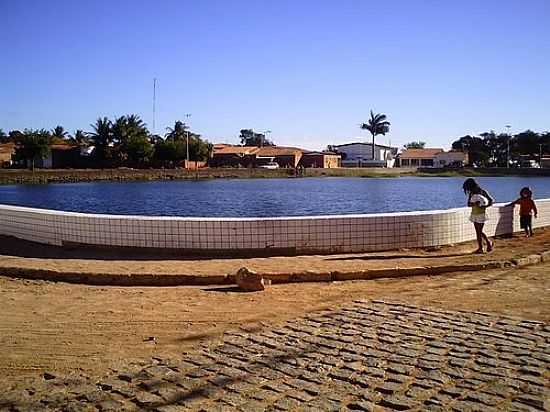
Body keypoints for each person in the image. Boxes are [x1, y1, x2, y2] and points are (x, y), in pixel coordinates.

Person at [463, 178, 494, 253]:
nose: (469, 191)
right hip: (474, 214)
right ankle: (486, 244)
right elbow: (468, 204)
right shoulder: (472, 194)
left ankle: (482, 246)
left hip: (481, 214)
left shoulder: (483, 192)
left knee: (479, 231)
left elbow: (491, 201)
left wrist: (484, 206)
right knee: (478, 231)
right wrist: (474, 203)